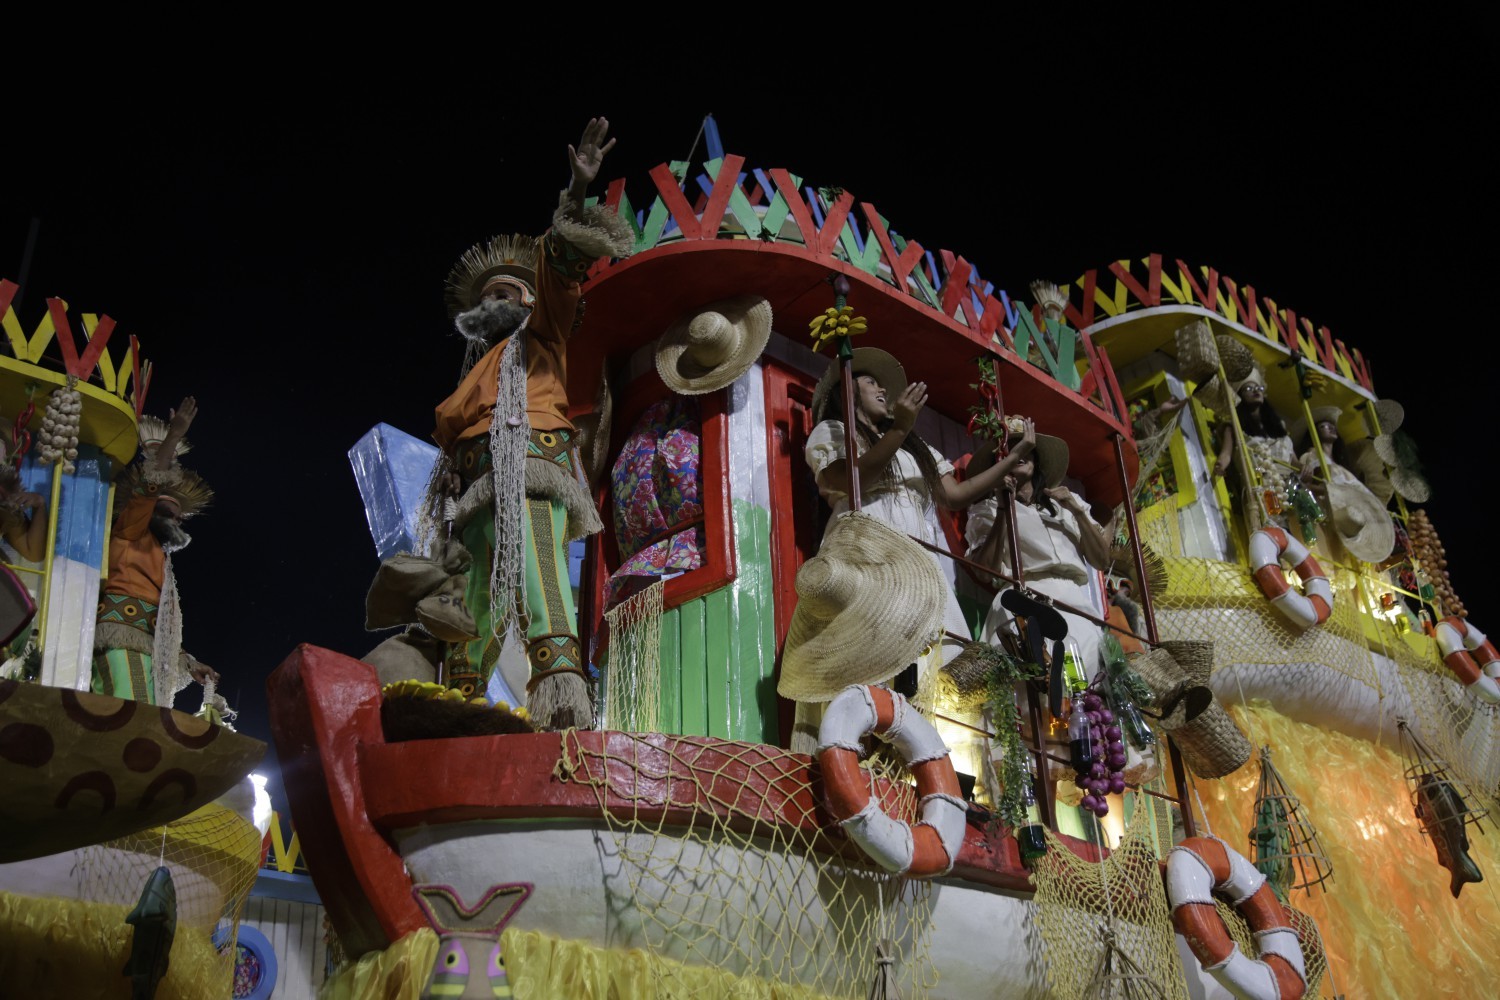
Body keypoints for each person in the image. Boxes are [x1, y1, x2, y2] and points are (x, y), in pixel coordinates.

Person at [430, 118, 633, 731]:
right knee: (468, 615)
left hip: (529, 473)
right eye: (487, 298)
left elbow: (560, 267)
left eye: (508, 294)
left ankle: (565, 711)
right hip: (473, 497)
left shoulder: (541, 335)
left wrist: (575, 192)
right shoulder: (473, 378)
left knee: (543, 588)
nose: (496, 303)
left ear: (529, 304)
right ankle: (455, 716)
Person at [804, 348, 1030, 694]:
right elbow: (852, 481)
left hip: (920, 556)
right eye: (870, 382)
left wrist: (1011, 458)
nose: (882, 390)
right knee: (882, 642)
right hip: (870, 547)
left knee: (942, 653)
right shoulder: (833, 431)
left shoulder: (913, 445)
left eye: (883, 385)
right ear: (845, 391)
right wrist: (900, 429)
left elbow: (954, 495)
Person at [966, 415, 1117, 682]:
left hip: (1076, 606)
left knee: (1079, 688)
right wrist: (1004, 508)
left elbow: (1102, 561)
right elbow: (985, 571)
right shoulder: (986, 509)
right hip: (1025, 601)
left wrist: (1077, 511)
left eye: (1025, 449)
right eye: (1011, 449)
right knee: (1040, 691)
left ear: (1037, 462)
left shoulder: (1066, 504)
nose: (1019, 453)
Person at [93, 398, 218, 705]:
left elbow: (162, 623)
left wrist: (189, 663)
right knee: (131, 722)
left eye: (178, 517)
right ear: (149, 511)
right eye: (166, 510)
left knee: (142, 728)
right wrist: (173, 437)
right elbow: (149, 484)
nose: (175, 519)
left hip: (148, 649)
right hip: (118, 642)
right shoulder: (130, 530)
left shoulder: (164, 561)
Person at [1212, 367, 1297, 528]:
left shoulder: (1280, 431)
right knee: (1270, 531)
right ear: (1240, 396)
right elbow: (1226, 453)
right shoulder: (1235, 428)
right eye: (1249, 389)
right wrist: (1220, 465)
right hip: (1261, 488)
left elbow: (1294, 462)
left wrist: (1305, 468)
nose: (1256, 392)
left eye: (1259, 388)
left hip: (1289, 490)